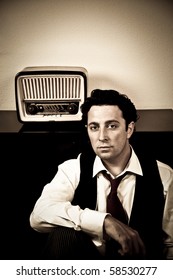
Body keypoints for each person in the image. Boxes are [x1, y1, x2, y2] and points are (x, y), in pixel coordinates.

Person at [30, 89, 173, 260]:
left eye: (112, 126)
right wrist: (105, 222)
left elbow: (169, 245)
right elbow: (38, 215)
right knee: (62, 235)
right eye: (94, 127)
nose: (102, 137)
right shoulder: (73, 169)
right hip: (86, 270)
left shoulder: (164, 175)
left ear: (129, 129)